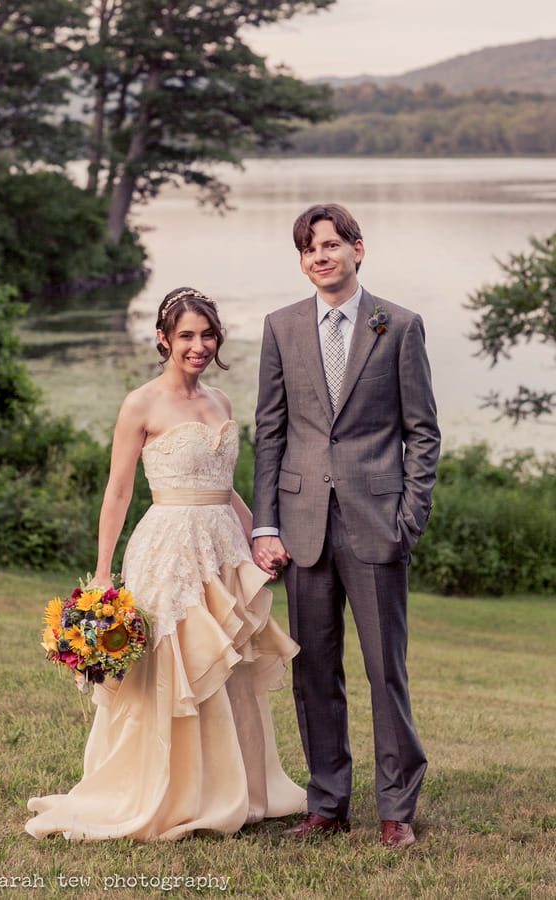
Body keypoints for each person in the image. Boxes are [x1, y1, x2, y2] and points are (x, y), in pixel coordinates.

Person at [26, 287, 306, 841]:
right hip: (169, 548)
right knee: (176, 666)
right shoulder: (141, 403)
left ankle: (233, 789)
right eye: (186, 335)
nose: (199, 346)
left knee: (225, 664)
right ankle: (170, 792)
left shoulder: (222, 401)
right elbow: (118, 491)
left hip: (221, 544)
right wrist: (102, 573)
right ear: (163, 338)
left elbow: (224, 489)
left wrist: (261, 538)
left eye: (207, 335)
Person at [251, 204, 440, 849]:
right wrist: (265, 526)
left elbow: (423, 434)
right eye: (309, 250)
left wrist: (408, 520)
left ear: (359, 250)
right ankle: (328, 801)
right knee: (314, 671)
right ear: (301, 261)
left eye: (331, 245)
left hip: (376, 524)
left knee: (385, 669)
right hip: (301, 529)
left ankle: (396, 808)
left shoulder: (400, 326)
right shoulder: (281, 327)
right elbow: (270, 432)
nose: (320, 257)